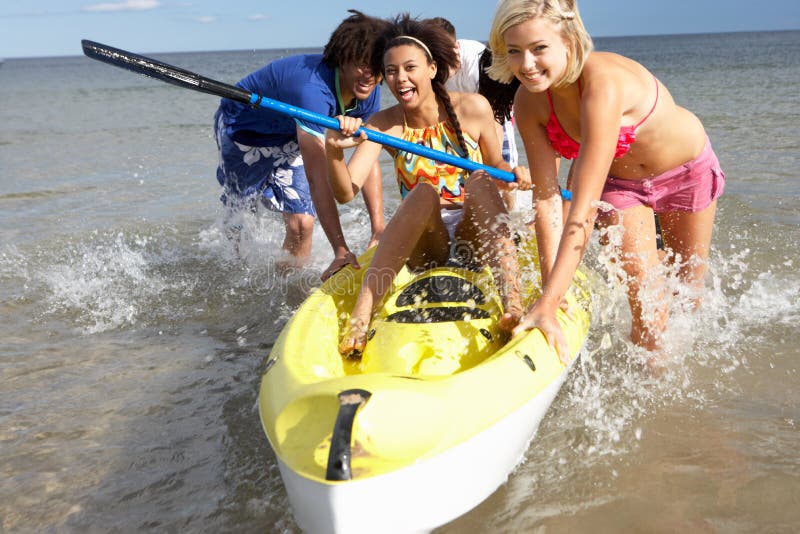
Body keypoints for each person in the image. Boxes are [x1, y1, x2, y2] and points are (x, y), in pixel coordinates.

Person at [487, 0, 725, 361]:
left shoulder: (602, 84)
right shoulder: (529, 102)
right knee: (648, 316)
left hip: (686, 172)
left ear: (568, 41)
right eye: (515, 51)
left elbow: (581, 207)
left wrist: (549, 300)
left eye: (539, 49)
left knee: (687, 297)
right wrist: (552, 296)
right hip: (622, 187)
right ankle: (650, 398)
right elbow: (548, 199)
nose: (527, 65)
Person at [325, 14, 532, 357]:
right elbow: (346, 192)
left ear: (432, 69)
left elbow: (495, 167)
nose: (400, 78)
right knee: (423, 191)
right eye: (391, 71)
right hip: (427, 247)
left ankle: (513, 304)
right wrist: (333, 150)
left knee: (480, 179)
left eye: (409, 68)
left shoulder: (474, 108)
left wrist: (513, 172)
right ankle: (361, 318)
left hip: (473, 237)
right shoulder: (385, 124)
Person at [214, 10, 389, 280]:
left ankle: (286, 288)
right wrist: (341, 249)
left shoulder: (368, 90)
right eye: (360, 63)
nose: (368, 74)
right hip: (244, 131)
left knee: (302, 225)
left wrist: (379, 229)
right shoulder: (311, 90)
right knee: (241, 215)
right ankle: (233, 279)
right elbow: (317, 178)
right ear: (342, 57)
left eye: (376, 66)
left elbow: (368, 155)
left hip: (291, 136)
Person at [428, 17, 524, 211]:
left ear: (456, 47)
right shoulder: (431, 67)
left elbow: (494, 120)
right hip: (459, 115)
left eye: (447, 57)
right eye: (437, 60)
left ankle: (510, 214)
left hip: (494, 112)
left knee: (503, 165)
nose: (442, 66)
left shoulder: (479, 62)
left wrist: (494, 161)